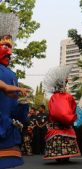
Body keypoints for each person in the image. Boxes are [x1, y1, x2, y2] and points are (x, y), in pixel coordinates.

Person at [0, 12, 30, 168]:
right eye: (5, 46)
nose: (10, 52)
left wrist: (23, 103)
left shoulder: (11, 74)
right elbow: (5, 88)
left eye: (11, 47)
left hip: (7, 131)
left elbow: (11, 96)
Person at [43, 65, 80, 162]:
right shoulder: (68, 96)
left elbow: (51, 111)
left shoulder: (53, 97)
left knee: (58, 137)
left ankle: (57, 155)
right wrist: (70, 117)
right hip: (66, 123)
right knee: (66, 136)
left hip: (56, 124)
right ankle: (66, 155)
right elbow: (73, 108)